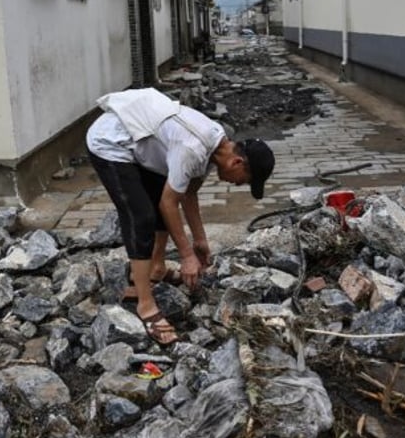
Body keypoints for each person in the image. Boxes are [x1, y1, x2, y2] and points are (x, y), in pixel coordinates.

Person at [86, 87, 275, 345]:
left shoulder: (215, 146)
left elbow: (187, 194)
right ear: (237, 163)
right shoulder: (194, 147)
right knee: (142, 217)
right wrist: (186, 256)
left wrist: (199, 241)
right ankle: (145, 303)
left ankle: (157, 267)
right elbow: (169, 203)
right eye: (243, 182)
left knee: (165, 199)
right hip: (110, 141)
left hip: (142, 142)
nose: (237, 185)